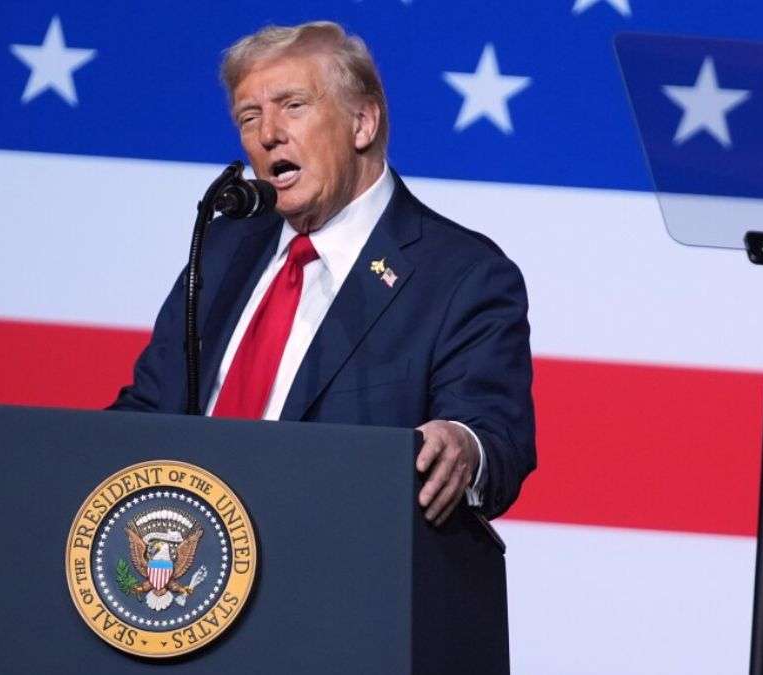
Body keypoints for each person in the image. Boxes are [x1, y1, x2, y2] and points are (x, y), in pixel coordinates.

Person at [111, 21, 535, 524]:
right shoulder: (222, 249)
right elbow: (148, 412)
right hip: (199, 556)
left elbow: (494, 436)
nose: (268, 134)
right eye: (250, 117)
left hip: (344, 553)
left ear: (362, 123)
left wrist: (463, 443)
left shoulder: (461, 274)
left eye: (293, 106)